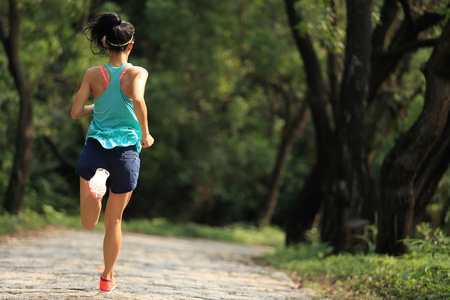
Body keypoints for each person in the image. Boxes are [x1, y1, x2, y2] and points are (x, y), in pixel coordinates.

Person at [71, 12, 154, 294]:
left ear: (105, 44)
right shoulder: (137, 73)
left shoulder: (93, 74)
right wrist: (146, 133)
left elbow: (74, 112)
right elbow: (139, 99)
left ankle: (97, 190)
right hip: (126, 152)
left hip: (95, 148)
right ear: (130, 46)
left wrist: (97, 105)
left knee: (87, 222)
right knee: (114, 221)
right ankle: (107, 277)